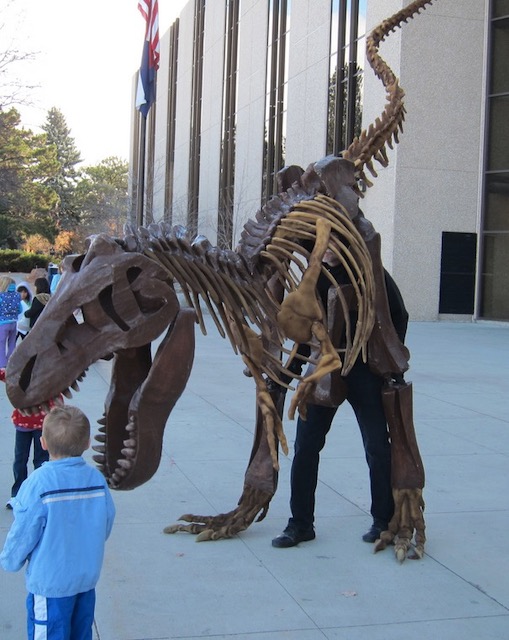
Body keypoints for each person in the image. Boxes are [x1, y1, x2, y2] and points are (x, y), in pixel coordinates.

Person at [272, 250, 409, 548]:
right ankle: (300, 524)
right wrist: (289, 372)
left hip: (363, 370)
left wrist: (389, 360)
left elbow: (398, 314)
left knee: (377, 446)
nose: (330, 245)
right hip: (322, 368)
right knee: (306, 446)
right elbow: (302, 331)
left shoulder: (370, 272)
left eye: (337, 236)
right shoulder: (313, 275)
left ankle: (383, 521)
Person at [0, 405, 116, 639]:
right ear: (86, 443)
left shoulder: (38, 483)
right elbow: (106, 521)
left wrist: (10, 560)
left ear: (42, 443)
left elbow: (23, 530)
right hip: (85, 580)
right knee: (81, 633)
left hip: (50, 586)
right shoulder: (96, 479)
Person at [0, 368, 63, 509]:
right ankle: (18, 495)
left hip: (41, 425)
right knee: (21, 460)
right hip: (24, 424)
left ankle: (38, 493)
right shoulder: (21, 372)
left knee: (40, 461)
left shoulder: (49, 373)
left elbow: (58, 392)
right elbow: (6, 374)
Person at [0, 276, 21, 368]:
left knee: (1, 343)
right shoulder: (17, 295)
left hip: (3, 323)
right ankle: (11, 361)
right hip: (14, 322)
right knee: (12, 342)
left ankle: (2, 363)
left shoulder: (1, 296)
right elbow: (20, 309)